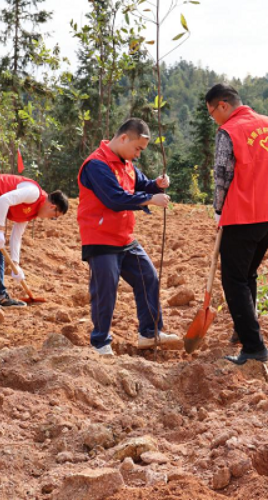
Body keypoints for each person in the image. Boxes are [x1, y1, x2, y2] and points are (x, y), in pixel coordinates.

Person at [77, 118, 178, 356]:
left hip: (123, 237)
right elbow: (115, 198)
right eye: (137, 149)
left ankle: (149, 333)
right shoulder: (96, 165)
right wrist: (150, 199)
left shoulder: (126, 164)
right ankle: (100, 342)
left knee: (148, 277)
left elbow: (141, 184)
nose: (138, 155)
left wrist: (156, 185)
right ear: (124, 138)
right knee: (106, 289)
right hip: (100, 238)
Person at [206, 83, 268, 365]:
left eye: (211, 112)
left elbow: (222, 175)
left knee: (234, 279)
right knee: (248, 274)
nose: (213, 118)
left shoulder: (229, 131)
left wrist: (218, 209)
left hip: (243, 214)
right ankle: (243, 330)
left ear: (223, 105)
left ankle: (254, 346)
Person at [0, 174, 69, 312]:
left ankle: (0, 296)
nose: (50, 219)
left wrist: (15, 264)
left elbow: (17, 236)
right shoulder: (33, 193)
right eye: (54, 217)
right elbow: (4, 200)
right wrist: (0, 231)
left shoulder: (32, 213)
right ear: (52, 207)